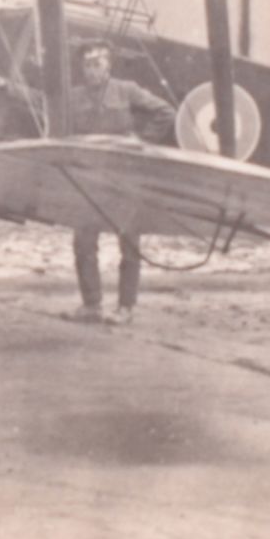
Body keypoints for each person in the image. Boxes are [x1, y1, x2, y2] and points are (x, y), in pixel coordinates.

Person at [66, 41, 174, 326]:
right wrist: (6, 87)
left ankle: (126, 307)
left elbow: (165, 112)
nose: (91, 70)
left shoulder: (126, 90)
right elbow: (40, 100)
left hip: (124, 176)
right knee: (83, 241)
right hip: (90, 177)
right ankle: (92, 305)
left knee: (129, 242)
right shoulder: (73, 97)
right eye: (87, 65)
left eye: (97, 63)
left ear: (108, 65)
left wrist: (140, 141)